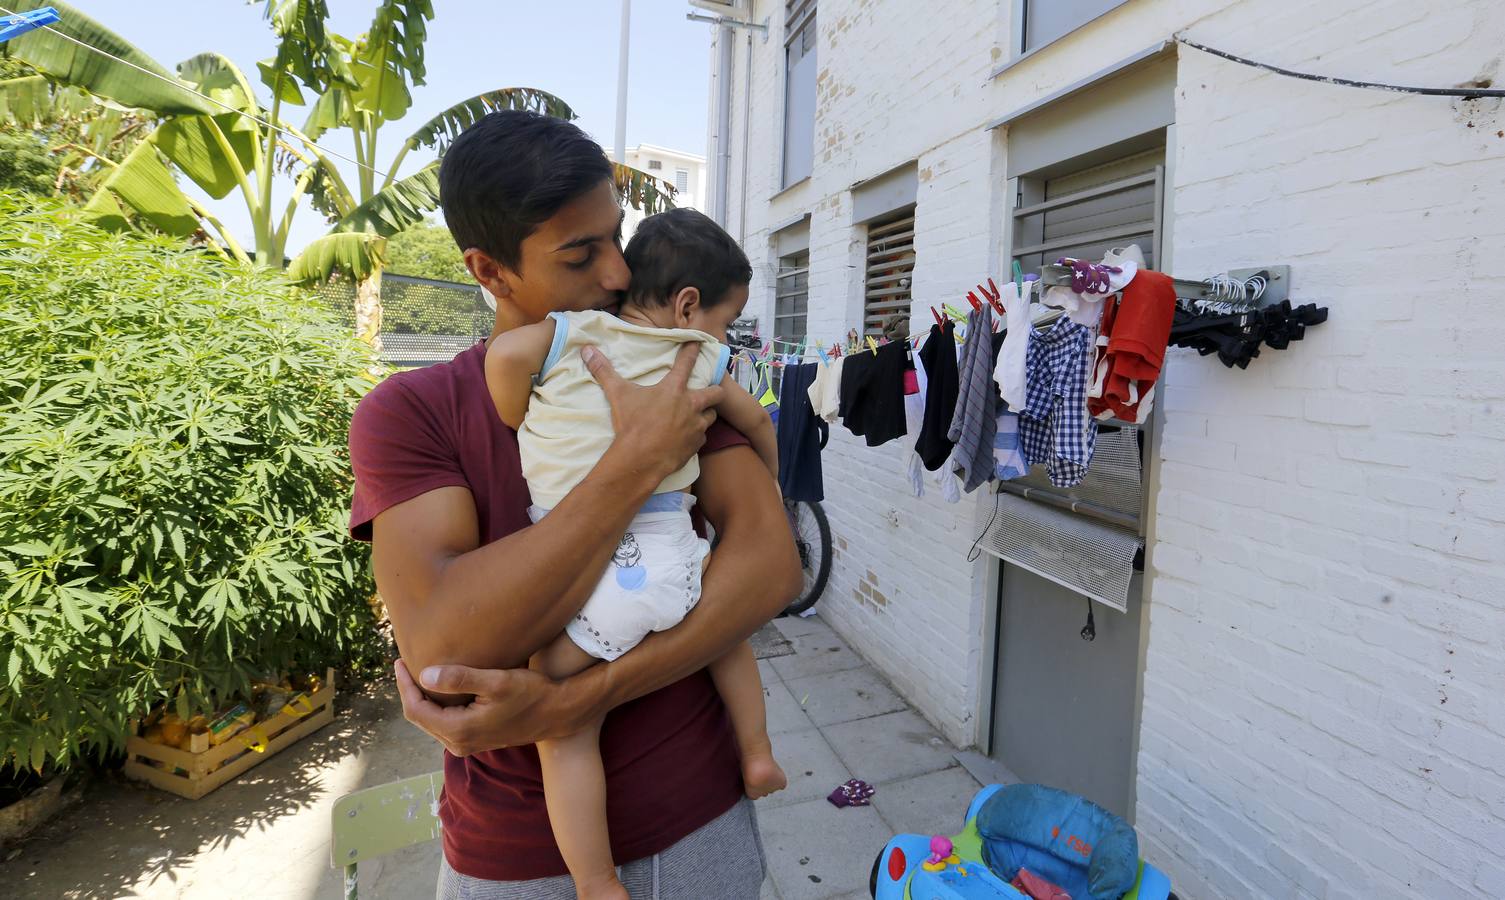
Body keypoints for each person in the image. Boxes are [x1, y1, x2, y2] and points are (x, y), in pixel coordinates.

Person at [347, 110, 802, 899]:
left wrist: (569, 700)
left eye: (616, 238)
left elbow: (768, 571)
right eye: (580, 253)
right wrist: (635, 464)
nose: (619, 274)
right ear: (490, 271)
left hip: (696, 821)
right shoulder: (412, 411)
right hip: (510, 852)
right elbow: (446, 645)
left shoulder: (664, 362)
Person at [484, 208, 788, 899]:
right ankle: (758, 753)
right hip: (670, 549)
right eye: (725, 318)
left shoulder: (575, 334)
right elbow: (755, 419)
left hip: (587, 565)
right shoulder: (701, 357)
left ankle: (595, 882)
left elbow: (501, 358)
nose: (723, 334)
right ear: (687, 306)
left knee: (560, 716)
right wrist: (770, 472)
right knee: (723, 636)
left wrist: (517, 416)